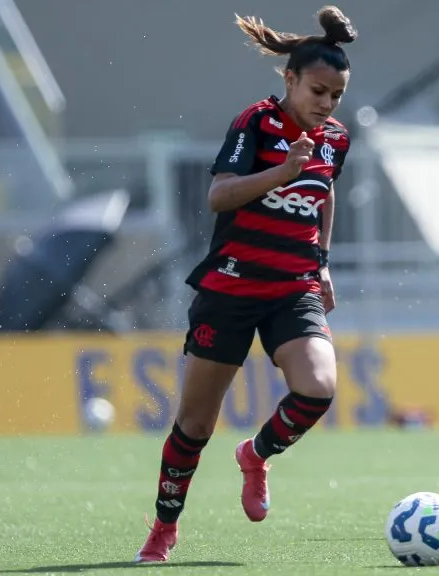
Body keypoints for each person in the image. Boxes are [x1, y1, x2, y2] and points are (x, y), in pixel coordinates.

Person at [134, 5, 356, 563]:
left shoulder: (334, 138)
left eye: (336, 95)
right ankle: (164, 528)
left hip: (293, 286)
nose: (326, 104)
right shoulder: (254, 123)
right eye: (318, 90)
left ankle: (256, 456)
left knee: (319, 387)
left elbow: (323, 194)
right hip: (231, 286)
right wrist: (282, 172)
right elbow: (219, 196)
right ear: (289, 79)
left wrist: (322, 260)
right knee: (195, 424)